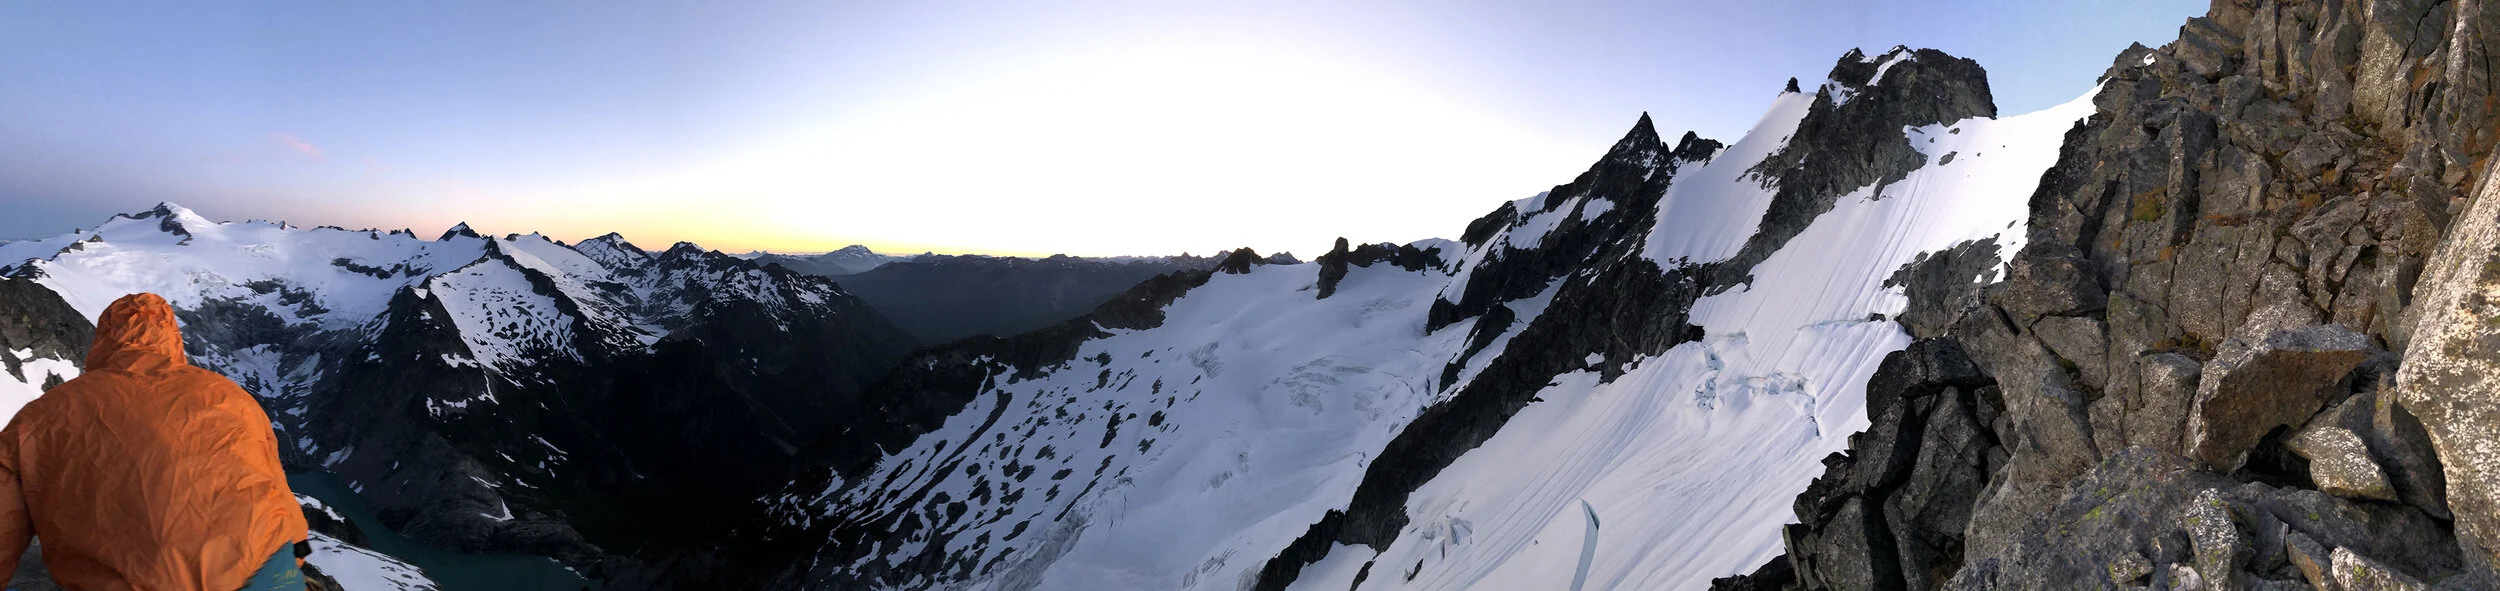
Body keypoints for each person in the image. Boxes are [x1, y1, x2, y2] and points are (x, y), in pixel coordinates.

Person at [0, 293, 309, 590]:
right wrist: (294, 558)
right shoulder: (231, 396)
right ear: (173, 338)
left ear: (103, 342)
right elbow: (275, 489)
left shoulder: (42, 416)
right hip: (265, 579)